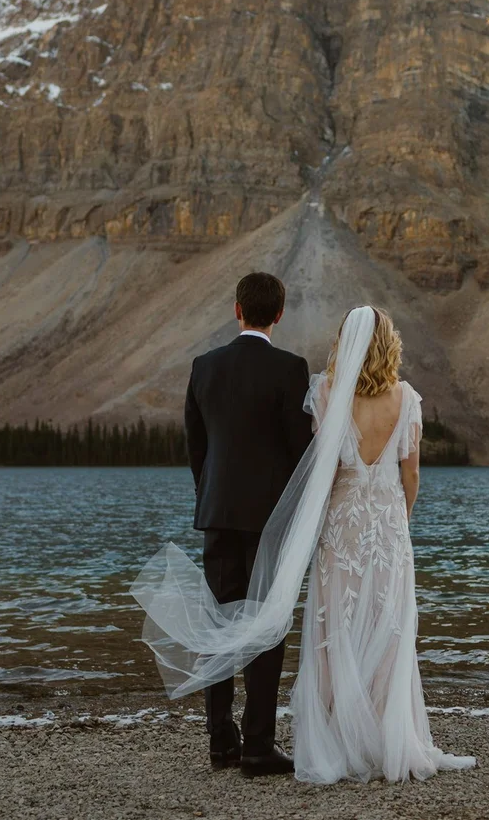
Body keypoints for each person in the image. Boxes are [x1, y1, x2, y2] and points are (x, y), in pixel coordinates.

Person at [131, 301, 476, 784]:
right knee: (387, 626)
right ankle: (382, 738)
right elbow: (410, 472)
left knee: (331, 625)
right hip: (389, 527)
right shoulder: (408, 398)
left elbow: (316, 467)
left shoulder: (326, 391)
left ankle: (260, 739)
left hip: (329, 523)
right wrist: (399, 517)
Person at [179, 271, 313, 776]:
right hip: (270, 522)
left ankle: (220, 743)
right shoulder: (290, 369)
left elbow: (196, 446)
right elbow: (301, 452)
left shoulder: (204, 366)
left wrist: (210, 495)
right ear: (278, 314)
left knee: (218, 625)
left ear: (238, 309)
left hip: (217, 516)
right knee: (267, 626)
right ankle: (257, 744)